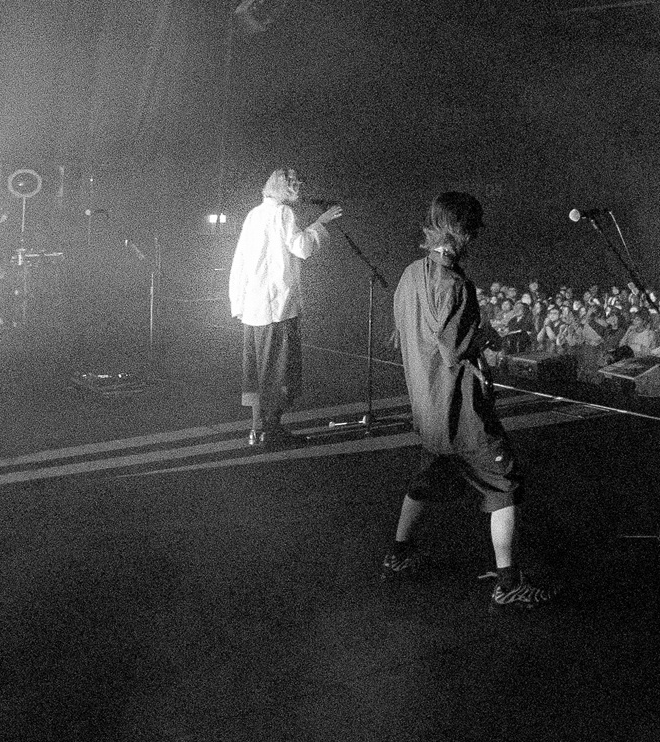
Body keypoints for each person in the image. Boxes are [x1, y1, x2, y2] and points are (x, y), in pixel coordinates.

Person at [382, 192, 553, 607]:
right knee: (504, 483)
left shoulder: (409, 274)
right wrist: (486, 335)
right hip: (460, 411)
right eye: (473, 231)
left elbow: (406, 334)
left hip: (426, 406)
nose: (475, 238)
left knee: (429, 477)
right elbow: (453, 349)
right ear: (461, 232)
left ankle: (398, 555)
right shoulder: (454, 284)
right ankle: (508, 584)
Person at [227, 168, 340, 449]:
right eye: (294, 186)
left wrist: (238, 302)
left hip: (255, 309)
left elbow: (239, 260)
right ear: (284, 188)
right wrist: (320, 223)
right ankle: (270, 431)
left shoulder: (253, 215)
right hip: (277, 309)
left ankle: (258, 429)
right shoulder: (283, 214)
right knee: (279, 372)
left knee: (258, 373)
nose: (299, 190)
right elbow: (301, 247)